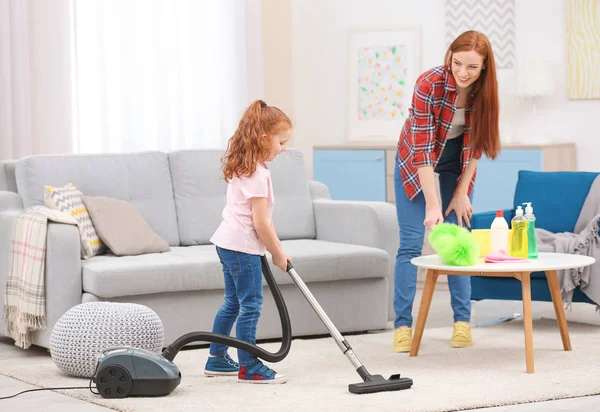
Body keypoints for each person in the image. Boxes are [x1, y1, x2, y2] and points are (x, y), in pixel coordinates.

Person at [392, 30, 500, 352]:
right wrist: (432, 204)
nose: (463, 73)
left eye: (472, 68)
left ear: (484, 69)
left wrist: (461, 192)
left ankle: (462, 323)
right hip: (415, 160)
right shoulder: (429, 84)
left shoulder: (486, 93)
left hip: (457, 163)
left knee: (459, 243)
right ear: (449, 58)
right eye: (457, 64)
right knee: (410, 244)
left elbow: (478, 145)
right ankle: (402, 327)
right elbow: (423, 151)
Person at [204, 100, 292, 383]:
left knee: (233, 302)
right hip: (241, 246)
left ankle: (216, 359)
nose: (284, 148)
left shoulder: (247, 164)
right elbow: (260, 223)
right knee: (250, 304)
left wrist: (277, 247)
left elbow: (265, 218)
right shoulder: (257, 173)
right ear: (264, 138)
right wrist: (276, 253)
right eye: (281, 142)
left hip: (228, 242)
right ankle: (249, 366)